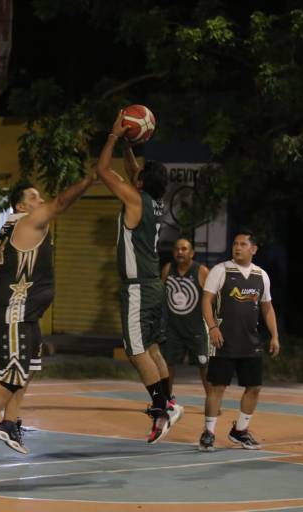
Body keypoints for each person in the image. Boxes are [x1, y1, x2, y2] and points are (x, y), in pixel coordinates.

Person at [0, 174, 94, 465]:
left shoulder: (23, 225)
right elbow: (62, 202)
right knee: (12, 375)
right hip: (14, 313)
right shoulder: (24, 222)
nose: (41, 201)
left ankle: (8, 424)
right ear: (21, 206)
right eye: (34, 198)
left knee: (29, 369)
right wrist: (90, 179)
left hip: (27, 314)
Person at [95, 111, 183, 444]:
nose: (134, 175)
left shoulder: (135, 199)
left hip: (137, 288)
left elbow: (102, 171)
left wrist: (115, 135)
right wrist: (131, 146)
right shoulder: (153, 202)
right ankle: (169, 401)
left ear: (141, 184)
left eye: (138, 175)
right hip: (152, 286)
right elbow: (134, 172)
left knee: (135, 352)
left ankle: (161, 407)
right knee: (152, 349)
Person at [198, 231, 280, 452]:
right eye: (235, 244)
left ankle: (240, 431)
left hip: (250, 341)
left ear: (253, 249)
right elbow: (206, 300)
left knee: (254, 387)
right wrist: (212, 327)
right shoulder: (221, 270)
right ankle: (208, 433)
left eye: (243, 244)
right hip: (222, 340)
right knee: (217, 387)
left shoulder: (261, 275)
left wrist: (275, 335)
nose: (238, 247)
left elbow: (267, 307)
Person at [161, 238, 211, 398]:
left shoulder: (202, 271)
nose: (180, 252)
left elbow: (212, 299)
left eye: (184, 249)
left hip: (196, 329)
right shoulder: (168, 269)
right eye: (177, 249)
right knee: (167, 365)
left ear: (192, 253)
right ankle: (165, 400)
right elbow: (160, 295)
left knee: (204, 366)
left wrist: (214, 325)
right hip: (173, 329)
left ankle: (212, 401)